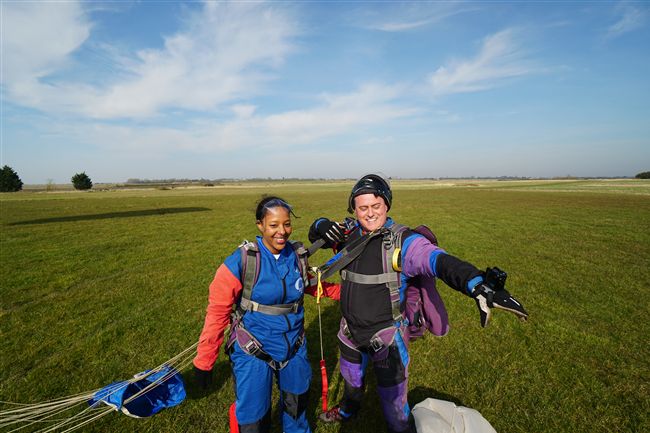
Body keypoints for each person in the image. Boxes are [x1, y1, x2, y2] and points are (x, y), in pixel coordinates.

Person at [308, 174, 528, 433]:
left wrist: (475, 282)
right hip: (350, 332)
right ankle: (348, 409)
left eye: (376, 206)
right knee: (351, 381)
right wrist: (321, 224)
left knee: (395, 410)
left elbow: (437, 260)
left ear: (387, 205)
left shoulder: (404, 242)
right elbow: (316, 230)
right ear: (353, 209)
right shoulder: (347, 233)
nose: (370, 213)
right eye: (362, 208)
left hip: (386, 338)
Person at [193, 196, 340, 433]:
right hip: (253, 350)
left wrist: (352, 293)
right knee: (253, 418)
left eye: (287, 224)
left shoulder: (296, 257)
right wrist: (204, 361)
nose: (282, 231)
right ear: (260, 225)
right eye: (273, 225)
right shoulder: (242, 261)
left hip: (294, 347)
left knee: (297, 406)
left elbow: (309, 284)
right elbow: (217, 313)